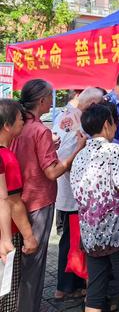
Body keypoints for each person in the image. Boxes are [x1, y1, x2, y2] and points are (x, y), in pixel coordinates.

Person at [12, 79, 84, 312]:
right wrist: (75, 152)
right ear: (42, 100)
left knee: (18, 264)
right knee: (34, 265)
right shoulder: (39, 130)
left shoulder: (17, 126)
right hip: (38, 201)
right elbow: (52, 171)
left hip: (16, 201)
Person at [70, 103, 119, 312]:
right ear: (106, 124)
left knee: (95, 288)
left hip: (90, 233)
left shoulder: (80, 156)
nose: (115, 126)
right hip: (118, 232)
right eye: (114, 122)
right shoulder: (114, 150)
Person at [53, 87, 104, 300]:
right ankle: (64, 286)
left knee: (71, 239)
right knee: (72, 240)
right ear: (92, 104)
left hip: (70, 192)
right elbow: (65, 158)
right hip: (73, 192)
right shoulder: (75, 121)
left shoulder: (68, 115)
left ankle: (67, 285)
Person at [0, 99, 38, 311]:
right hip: (7, 234)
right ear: (7, 125)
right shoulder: (7, 157)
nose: (23, 122)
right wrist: (29, 235)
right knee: (6, 291)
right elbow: (13, 202)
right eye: (20, 119)